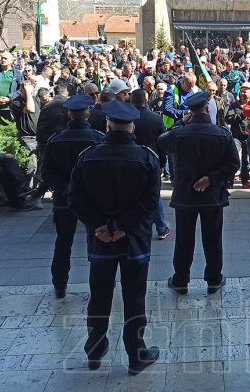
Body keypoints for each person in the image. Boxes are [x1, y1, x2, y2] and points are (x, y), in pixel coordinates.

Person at [67, 100, 161, 375]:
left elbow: (75, 198)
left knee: (99, 294)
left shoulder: (88, 156)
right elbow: (150, 201)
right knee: (134, 297)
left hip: (100, 240)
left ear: (108, 126)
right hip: (134, 240)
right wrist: (120, 225)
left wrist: (101, 226)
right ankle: (136, 353)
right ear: (132, 126)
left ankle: (95, 349)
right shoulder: (146, 157)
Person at [158, 92, 240, 295]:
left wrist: (180, 122)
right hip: (212, 195)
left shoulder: (179, 133)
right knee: (213, 239)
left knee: (184, 240)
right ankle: (213, 279)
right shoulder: (222, 134)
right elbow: (233, 164)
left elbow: (161, 141)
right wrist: (212, 178)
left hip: (186, 196)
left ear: (190, 112)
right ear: (206, 109)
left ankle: (181, 280)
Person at [41, 94, 106, 299]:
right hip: (93, 199)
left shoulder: (55, 140)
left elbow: (47, 174)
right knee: (97, 241)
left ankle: (60, 284)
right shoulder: (98, 139)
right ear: (87, 113)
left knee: (63, 241)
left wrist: (67, 187)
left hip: (64, 199)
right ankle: (102, 283)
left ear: (69, 114)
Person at [131, 89, 170, 240]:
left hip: (131, 161)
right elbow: (162, 143)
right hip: (151, 162)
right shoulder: (155, 118)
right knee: (153, 194)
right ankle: (161, 227)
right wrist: (162, 163)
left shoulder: (127, 117)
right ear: (146, 100)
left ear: (132, 100)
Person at [225, 82, 250, 188]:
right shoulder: (234, 105)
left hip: (249, 137)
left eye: (245, 90)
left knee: (246, 161)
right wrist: (241, 115)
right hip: (236, 137)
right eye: (242, 90)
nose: (243, 93)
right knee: (234, 158)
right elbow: (228, 119)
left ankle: (245, 180)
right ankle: (229, 181)